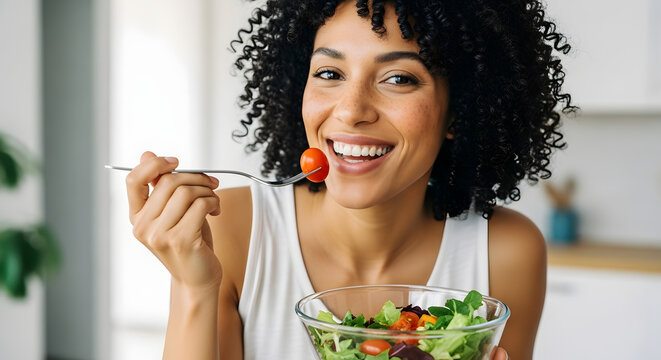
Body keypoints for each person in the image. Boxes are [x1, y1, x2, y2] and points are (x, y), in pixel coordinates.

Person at [124, 0, 574, 359]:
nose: (351, 110)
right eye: (329, 74)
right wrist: (193, 287)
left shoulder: (506, 251)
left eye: (398, 78)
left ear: (459, 110)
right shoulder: (229, 228)